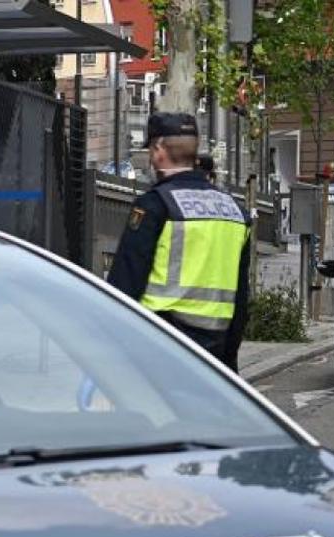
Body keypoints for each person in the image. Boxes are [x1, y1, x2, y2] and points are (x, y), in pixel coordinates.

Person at [108, 113, 251, 372]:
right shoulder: (235, 212)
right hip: (215, 355)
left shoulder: (155, 205)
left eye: (151, 150)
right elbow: (241, 299)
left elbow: (124, 287)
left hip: (159, 351)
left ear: (159, 149)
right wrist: (228, 363)